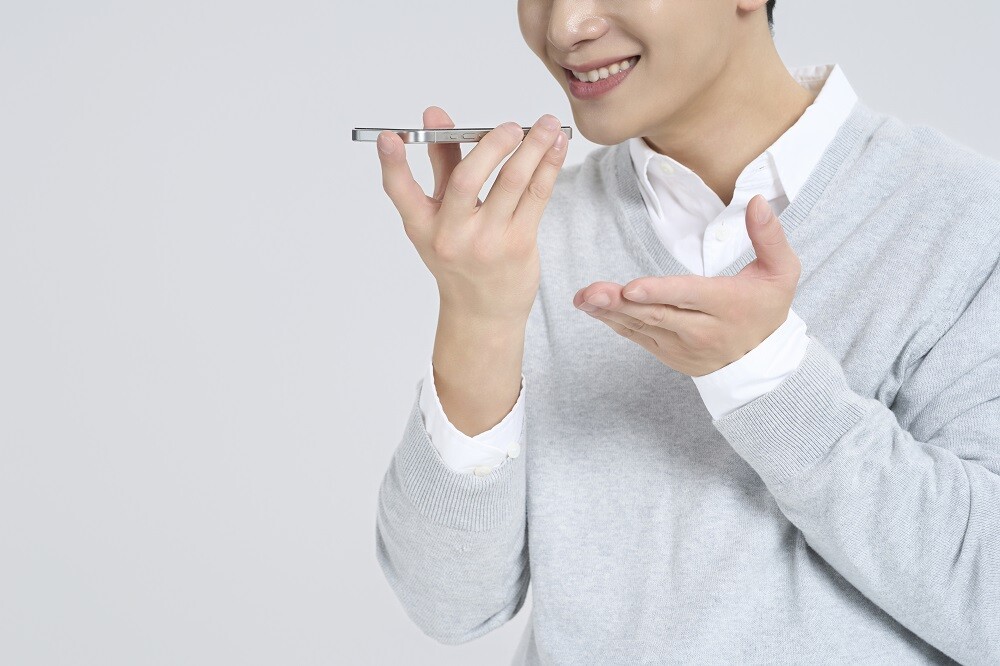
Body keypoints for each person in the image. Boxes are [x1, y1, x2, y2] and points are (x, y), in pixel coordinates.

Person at [372, 0, 1000, 663]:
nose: (563, 27)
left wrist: (767, 377)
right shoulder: (522, 239)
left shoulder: (966, 221)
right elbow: (449, 605)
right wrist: (479, 317)